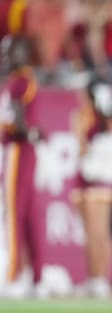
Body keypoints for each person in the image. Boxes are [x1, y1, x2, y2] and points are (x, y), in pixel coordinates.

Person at [71, 77, 112, 298]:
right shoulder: (82, 117)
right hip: (84, 178)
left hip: (103, 180)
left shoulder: (105, 119)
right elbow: (81, 147)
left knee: (101, 232)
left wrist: (105, 112)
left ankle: (101, 279)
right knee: (91, 233)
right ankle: (93, 278)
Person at [0, 35, 44, 298]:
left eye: (10, 52)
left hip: (17, 151)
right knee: (27, 216)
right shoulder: (23, 80)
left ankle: (13, 274)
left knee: (14, 213)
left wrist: (28, 132)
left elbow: (17, 119)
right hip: (25, 150)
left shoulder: (19, 81)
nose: (5, 56)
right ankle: (36, 277)